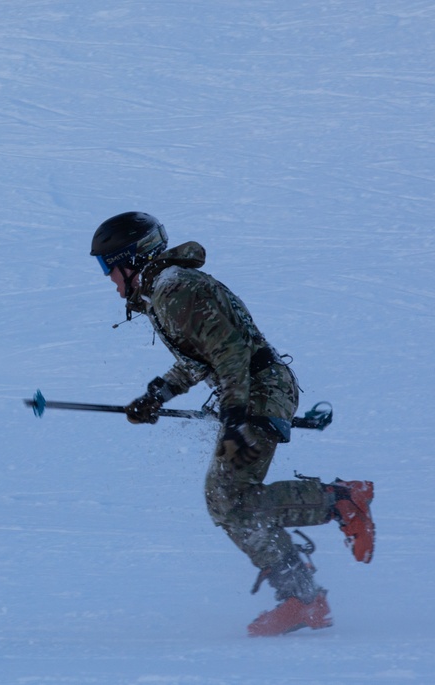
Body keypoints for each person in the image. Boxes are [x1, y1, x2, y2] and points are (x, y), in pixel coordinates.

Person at [90, 211, 375, 636]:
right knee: (229, 499)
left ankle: (336, 514)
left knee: (228, 498)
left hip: (256, 391)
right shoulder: (165, 291)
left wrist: (237, 414)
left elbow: (231, 354)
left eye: (108, 267)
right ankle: (306, 590)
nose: (109, 280)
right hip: (254, 390)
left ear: (131, 258)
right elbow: (199, 358)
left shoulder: (174, 290)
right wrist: (156, 395)